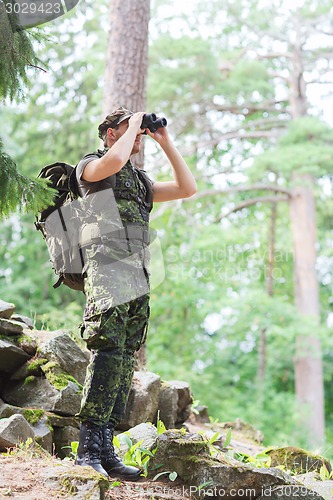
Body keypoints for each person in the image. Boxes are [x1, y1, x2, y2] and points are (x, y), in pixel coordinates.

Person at [74, 106, 197, 480]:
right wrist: (132, 123)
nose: (138, 136)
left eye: (140, 132)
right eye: (130, 131)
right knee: (108, 349)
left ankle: (107, 447)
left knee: (126, 356)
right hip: (106, 269)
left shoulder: (141, 181)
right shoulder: (91, 167)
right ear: (111, 133)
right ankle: (88, 448)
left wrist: (164, 140)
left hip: (137, 275)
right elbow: (111, 162)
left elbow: (187, 188)